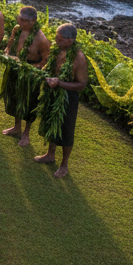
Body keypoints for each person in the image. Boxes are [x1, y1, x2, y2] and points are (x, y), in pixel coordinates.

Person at [34, 23, 88, 178]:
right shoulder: (57, 50)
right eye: (56, 37)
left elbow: (82, 85)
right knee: (52, 123)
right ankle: (50, 154)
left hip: (68, 98)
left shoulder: (79, 58)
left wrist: (60, 83)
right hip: (53, 92)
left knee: (66, 130)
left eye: (60, 38)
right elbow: (49, 68)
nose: (56, 40)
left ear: (70, 40)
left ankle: (64, 165)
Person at [0, 6, 51, 148]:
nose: (19, 21)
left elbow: (46, 62)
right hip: (15, 68)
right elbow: (9, 45)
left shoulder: (41, 39)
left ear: (33, 21)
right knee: (15, 98)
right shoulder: (17, 29)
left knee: (29, 103)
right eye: (19, 18)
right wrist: (7, 54)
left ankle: (26, 134)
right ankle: (17, 127)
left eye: (23, 20)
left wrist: (29, 68)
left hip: (30, 74)